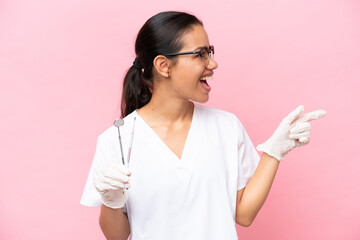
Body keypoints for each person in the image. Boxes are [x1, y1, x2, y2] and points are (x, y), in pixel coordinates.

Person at [80, 11, 326, 240]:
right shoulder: (118, 139)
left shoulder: (226, 126)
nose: (212, 63)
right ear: (164, 66)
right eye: (200, 54)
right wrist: (111, 200)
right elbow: (117, 236)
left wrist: (274, 151)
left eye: (210, 51)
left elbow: (244, 214)